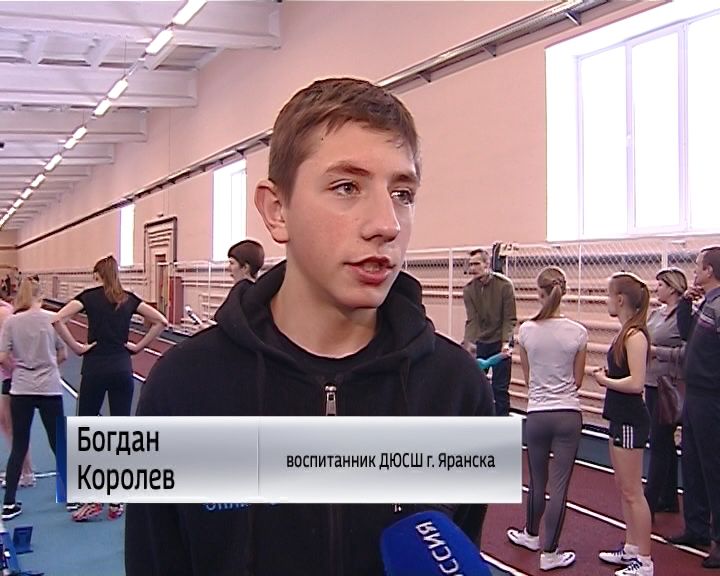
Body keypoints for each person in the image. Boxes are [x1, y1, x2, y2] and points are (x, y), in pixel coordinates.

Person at [124, 77, 494, 576]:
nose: (387, 223)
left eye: (403, 193)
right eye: (347, 187)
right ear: (277, 211)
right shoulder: (183, 387)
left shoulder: (457, 389)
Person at [52, 254, 168, 521]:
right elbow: (161, 321)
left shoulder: (88, 297)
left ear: (98, 275)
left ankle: (93, 497)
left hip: (94, 369)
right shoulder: (128, 299)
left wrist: (76, 346)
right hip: (122, 370)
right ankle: (117, 499)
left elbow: (57, 319)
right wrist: (139, 347)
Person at [506, 267, 586, 571]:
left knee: (537, 481)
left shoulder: (526, 330)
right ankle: (550, 554)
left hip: (538, 413)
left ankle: (531, 535)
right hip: (568, 414)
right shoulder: (578, 332)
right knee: (559, 485)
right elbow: (577, 380)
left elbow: (529, 379)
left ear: (539, 292)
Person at [592, 272, 653, 576]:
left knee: (633, 491)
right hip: (618, 417)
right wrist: (608, 376)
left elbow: (637, 383)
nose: (606, 301)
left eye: (608, 296)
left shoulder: (635, 336)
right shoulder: (624, 333)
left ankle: (645, 560)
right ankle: (631, 548)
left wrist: (604, 381)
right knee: (623, 487)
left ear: (620, 299)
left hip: (630, 419)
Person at [668, 246, 720, 569]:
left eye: (698, 266)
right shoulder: (706, 303)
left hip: (712, 396)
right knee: (693, 462)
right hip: (696, 394)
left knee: (713, 467)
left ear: (710, 270)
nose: (695, 271)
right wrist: (686, 302)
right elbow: (686, 332)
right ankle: (696, 527)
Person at [0, 278, 66, 520]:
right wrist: (48, 366)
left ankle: (9, 503)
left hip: (22, 388)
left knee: (19, 445)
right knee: (58, 442)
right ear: (41, 295)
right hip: (49, 387)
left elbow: (3, 356)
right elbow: (63, 353)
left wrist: (18, 369)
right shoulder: (52, 319)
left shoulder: (12, 321)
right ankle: (72, 495)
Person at [643, 268, 686, 519]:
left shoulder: (684, 315)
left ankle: (649, 500)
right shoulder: (656, 313)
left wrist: (657, 352)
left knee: (659, 441)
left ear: (671, 287)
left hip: (669, 385)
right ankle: (668, 497)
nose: (656, 288)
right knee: (664, 441)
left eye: (660, 284)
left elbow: (688, 352)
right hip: (651, 382)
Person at [462, 247, 517, 416]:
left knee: (500, 389)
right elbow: (472, 320)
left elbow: (509, 318)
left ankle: (502, 423)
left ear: (487, 264)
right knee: (474, 385)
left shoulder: (504, 286)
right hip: (481, 341)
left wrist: (506, 342)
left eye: (476, 264)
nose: (473, 268)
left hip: (500, 341)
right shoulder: (469, 290)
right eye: (471, 265)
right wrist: (469, 344)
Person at [0, 295, 34, 488]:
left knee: (14, 427)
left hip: (13, 376)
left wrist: (17, 371)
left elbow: (8, 348)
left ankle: (26, 472)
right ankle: (21, 469)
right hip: (9, 375)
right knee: (6, 422)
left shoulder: (3, 313)